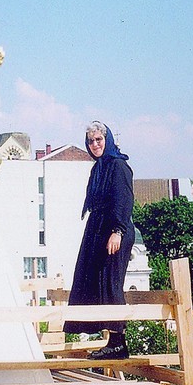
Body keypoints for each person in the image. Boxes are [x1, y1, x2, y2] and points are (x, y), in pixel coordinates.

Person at [63, 121, 135, 360]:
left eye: (99, 140)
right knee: (94, 281)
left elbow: (123, 200)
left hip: (114, 229)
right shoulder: (98, 168)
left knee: (111, 282)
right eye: (91, 141)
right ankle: (111, 341)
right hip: (97, 228)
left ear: (108, 140)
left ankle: (118, 344)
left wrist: (118, 231)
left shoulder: (118, 165)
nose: (95, 145)